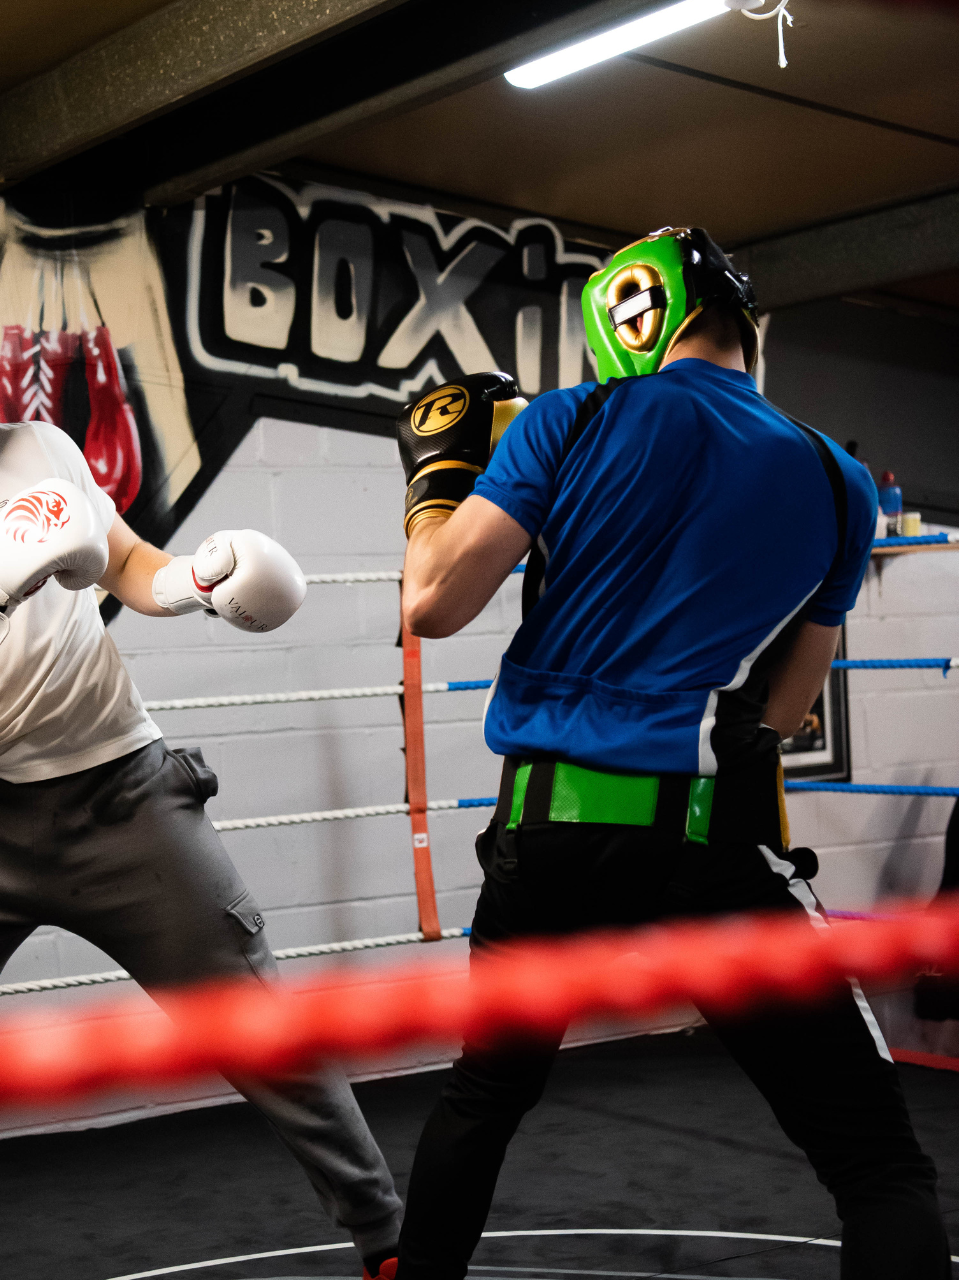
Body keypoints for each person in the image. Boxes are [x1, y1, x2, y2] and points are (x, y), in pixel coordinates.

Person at [0, 271, 403, 1280]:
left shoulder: (37, 449)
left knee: (261, 1026)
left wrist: (197, 580)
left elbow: (127, 567)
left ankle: (388, 1242)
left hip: (126, 794)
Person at [391, 228, 950, 1280]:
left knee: (485, 1094)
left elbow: (432, 600)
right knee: (876, 1160)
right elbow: (786, 708)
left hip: (546, 833)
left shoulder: (568, 418)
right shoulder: (838, 480)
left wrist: (434, 484)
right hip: (705, 843)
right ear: (742, 325)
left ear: (621, 326)